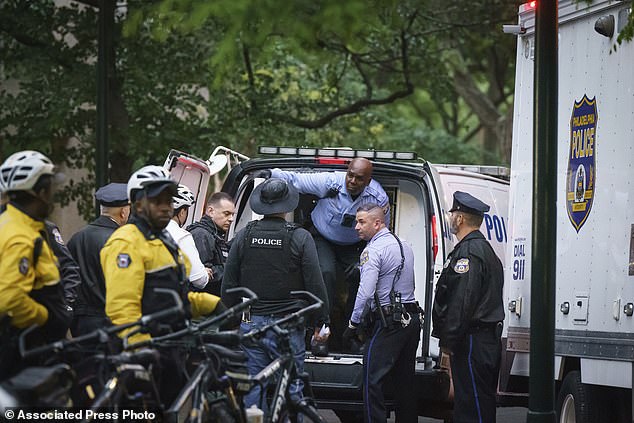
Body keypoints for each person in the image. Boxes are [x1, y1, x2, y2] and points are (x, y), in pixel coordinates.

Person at [221, 178, 330, 411]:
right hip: (288, 325)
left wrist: (228, 321)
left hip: (251, 324)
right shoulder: (301, 237)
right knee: (292, 388)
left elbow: (229, 282)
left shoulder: (243, 235)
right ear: (288, 206)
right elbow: (315, 282)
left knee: (253, 385)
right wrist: (322, 320)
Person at [267, 158, 390, 350]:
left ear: (368, 181)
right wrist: (269, 173)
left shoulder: (378, 198)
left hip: (353, 244)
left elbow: (380, 231)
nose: (352, 181)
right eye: (350, 175)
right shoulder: (331, 182)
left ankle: (352, 333)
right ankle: (320, 332)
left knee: (364, 277)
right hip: (322, 237)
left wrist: (371, 256)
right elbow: (296, 180)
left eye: (359, 179)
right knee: (326, 273)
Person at [101, 165, 223, 345]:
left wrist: (212, 304)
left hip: (172, 342)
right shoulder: (126, 243)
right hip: (147, 350)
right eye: (158, 201)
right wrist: (140, 349)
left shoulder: (163, 240)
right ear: (138, 204)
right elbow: (122, 309)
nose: (166, 207)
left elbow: (175, 297)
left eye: (169, 201)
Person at [342, 203, 421, 423]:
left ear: (377, 223)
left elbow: (365, 292)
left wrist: (353, 323)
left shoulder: (373, 250)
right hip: (411, 318)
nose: (356, 227)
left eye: (361, 222)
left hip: (390, 322)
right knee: (405, 380)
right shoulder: (404, 244)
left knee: (371, 377)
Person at [431, 191, 504, 423]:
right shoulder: (482, 250)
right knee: (473, 401)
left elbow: (462, 302)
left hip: (473, 340)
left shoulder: (469, 253)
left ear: (460, 219)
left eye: (453, 213)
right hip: (480, 338)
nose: (451, 217)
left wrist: (448, 341)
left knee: (472, 404)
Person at [0, 151, 71, 378]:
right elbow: (10, 299)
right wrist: (46, 317)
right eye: (50, 189)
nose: (53, 195)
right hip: (27, 351)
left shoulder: (11, 224)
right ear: (39, 193)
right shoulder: (20, 237)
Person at [67, 182, 130, 336]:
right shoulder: (119, 241)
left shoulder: (77, 237)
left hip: (79, 322)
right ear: (123, 212)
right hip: (108, 322)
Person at [187, 192, 235, 296]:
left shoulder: (214, 234)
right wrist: (232, 268)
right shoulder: (201, 235)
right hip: (203, 302)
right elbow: (202, 275)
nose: (231, 219)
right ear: (210, 211)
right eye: (226, 214)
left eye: (232, 214)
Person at [165, 184, 210, 290]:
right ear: (182, 212)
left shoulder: (145, 230)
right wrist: (206, 273)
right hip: (168, 299)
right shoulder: (182, 236)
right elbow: (199, 279)